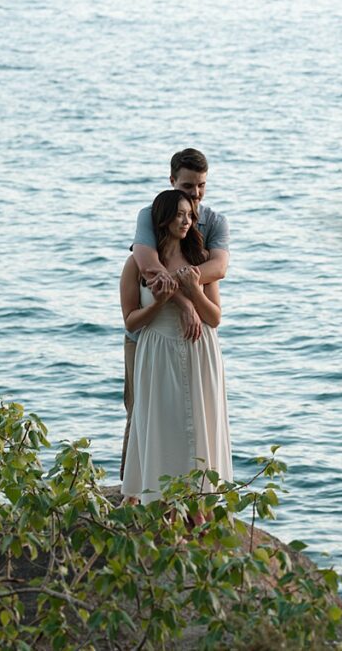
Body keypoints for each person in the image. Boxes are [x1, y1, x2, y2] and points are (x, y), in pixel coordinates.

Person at [120, 148, 230, 480]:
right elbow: (150, 267)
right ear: (172, 182)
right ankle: (135, 489)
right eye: (187, 187)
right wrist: (184, 303)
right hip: (147, 337)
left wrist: (192, 285)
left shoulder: (214, 223)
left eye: (201, 186)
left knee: (196, 414)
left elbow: (217, 267)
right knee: (142, 412)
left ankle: (194, 492)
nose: (195, 196)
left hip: (194, 337)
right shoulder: (149, 215)